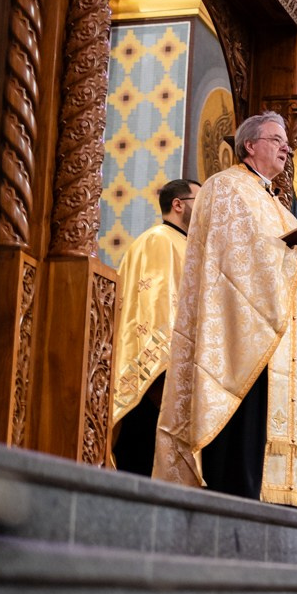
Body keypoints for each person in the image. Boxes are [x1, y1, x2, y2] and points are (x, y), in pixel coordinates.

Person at [153, 112, 297, 503]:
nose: (286, 146)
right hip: (239, 341)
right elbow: (230, 261)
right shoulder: (225, 188)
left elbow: (286, 264)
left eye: (287, 141)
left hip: (277, 343)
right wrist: (291, 263)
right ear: (250, 145)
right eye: (276, 138)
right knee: (239, 449)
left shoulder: (280, 208)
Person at [112, 178, 201, 477]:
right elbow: (157, 311)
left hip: (176, 377)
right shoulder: (159, 240)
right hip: (155, 381)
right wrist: (167, 379)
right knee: (140, 465)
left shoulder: (186, 244)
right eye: (199, 203)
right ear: (178, 205)